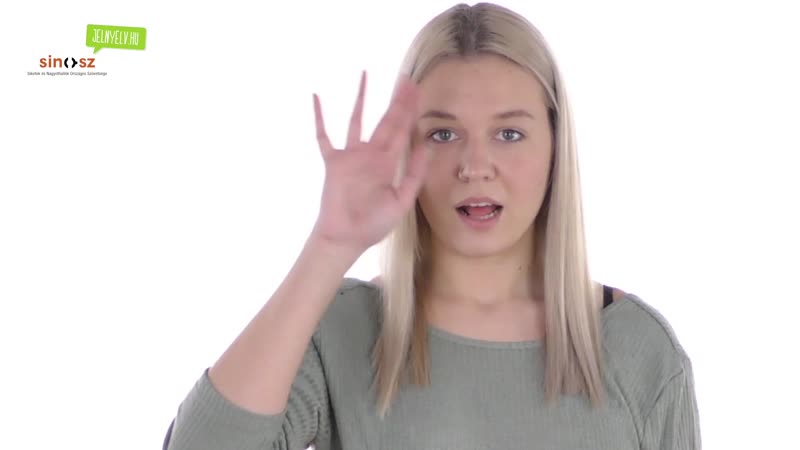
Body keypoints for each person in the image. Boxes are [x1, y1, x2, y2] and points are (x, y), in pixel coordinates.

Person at [162, 2, 701, 449]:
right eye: (443, 135)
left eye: (509, 134)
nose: (475, 166)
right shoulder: (341, 332)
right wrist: (329, 245)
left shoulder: (639, 349)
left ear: (556, 149)